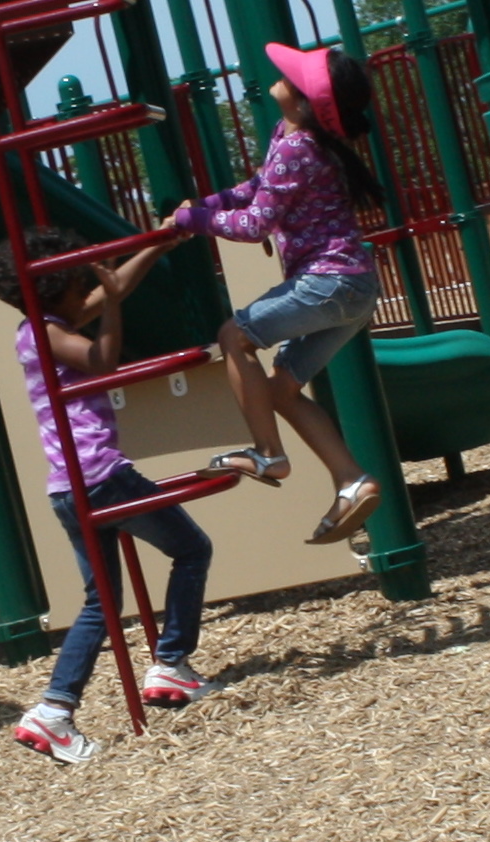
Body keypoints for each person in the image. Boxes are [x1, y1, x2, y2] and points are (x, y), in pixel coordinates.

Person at [0, 228, 218, 766]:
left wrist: (157, 247)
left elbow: (103, 295)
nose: (89, 294)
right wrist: (113, 303)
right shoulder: (49, 334)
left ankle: (53, 712)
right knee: (191, 549)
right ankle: (171, 664)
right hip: (101, 477)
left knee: (101, 604)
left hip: (69, 487)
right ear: (62, 290)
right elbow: (105, 359)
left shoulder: (39, 326)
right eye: (82, 286)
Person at [171, 41, 390, 546]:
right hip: (353, 287)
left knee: (235, 336)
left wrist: (192, 220)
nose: (281, 77)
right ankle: (351, 481)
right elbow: (256, 188)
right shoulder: (290, 135)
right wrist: (203, 205)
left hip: (329, 281)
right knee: (280, 390)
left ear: (304, 102)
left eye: (290, 77)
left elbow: (253, 225)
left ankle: (267, 453)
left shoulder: (298, 146)